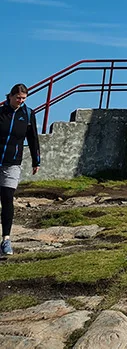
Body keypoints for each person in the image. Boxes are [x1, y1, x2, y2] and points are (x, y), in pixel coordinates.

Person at [0, 84, 40, 256]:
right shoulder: (1, 112)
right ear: (10, 96)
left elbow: (33, 139)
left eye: (23, 98)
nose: (20, 101)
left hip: (12, 163)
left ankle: (6, 240)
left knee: (7, 198)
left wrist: (36, 160)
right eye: (18, 98)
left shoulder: (28, 114)